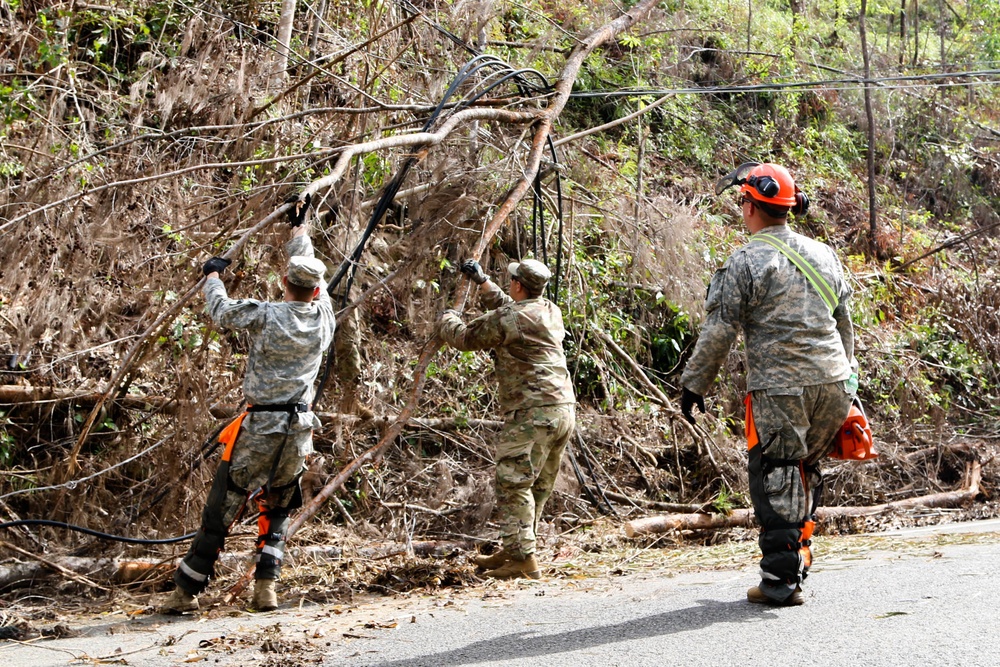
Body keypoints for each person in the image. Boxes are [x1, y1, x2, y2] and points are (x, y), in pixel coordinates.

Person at [679, 163, 857, 606]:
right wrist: (848, 380)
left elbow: (720, 328)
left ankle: (780, 583)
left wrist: (694, 384)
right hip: (834, 383)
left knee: (778, 476)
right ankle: (798, 564)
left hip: (782, 389)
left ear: (751, 206)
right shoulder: (825, 255)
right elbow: (845, 325)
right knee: (804, 473)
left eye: (742, 201)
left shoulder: (745, 261)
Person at [160, 199, 335, 613]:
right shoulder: (325, 317)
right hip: (298, 431)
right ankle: (266, 590)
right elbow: (316, 283)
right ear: (315, 291)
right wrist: (301, 233)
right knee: (277, 506)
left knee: (222, 505)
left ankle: (185, 593)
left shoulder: (267, 314)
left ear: (282, 282)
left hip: (260, 426)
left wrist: (214, 275)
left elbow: (220, 310)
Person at [438, 258, 576, 579]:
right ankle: (519, 546)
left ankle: (523, 560)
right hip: (563, 410)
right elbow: (511, 310)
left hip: (532, 412)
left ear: (517, 285)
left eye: (511, 281)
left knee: (513, 483)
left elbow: (465, 338)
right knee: (537, 486)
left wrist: (447, 317)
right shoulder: (550, 310)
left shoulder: (511, 317)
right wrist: (483, 281)